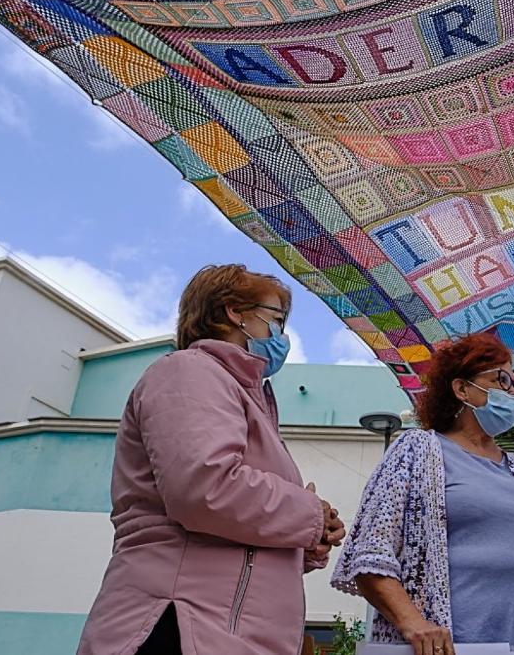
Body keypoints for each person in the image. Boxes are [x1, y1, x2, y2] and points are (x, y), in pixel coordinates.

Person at [77, 264, 346, 655]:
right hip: (181, 625)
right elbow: (204, 488)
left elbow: (238, 528)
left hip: (219, 631)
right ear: (235, 312)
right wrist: (310, 514)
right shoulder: (190, 371)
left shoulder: (246, 398)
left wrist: (304, 541)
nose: (281, 336)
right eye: (276, 319)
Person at [331, 333, 514, 655]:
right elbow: (370, 554)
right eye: (501, 379)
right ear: (462, 388)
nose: (512, 392)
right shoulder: (418, 450)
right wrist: (415, 624)